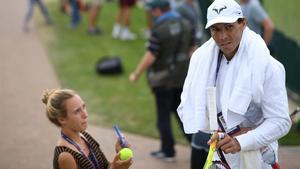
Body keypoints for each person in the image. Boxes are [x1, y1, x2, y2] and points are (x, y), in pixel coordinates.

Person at [177, 0, 291, 168]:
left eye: (228, 27)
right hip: (221, 159)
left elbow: (281, 122)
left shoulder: (269, 67)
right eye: (216, 29)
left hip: (256, 160)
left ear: (243, 23)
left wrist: (241, 141)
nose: (222, 37)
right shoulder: (203, 61)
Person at [129, 0, 194, 162]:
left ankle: (168, 151)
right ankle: (197, 145)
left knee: (163, 117)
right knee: (182, 114)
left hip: (163, 80)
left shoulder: (159, 29)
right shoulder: (186, 24)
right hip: (181, 77)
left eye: (152, 10)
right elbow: (193, 49)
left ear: (158, 10)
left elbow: (151, 54)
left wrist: (136, 74)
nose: (151, 13)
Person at [42, 89, 133, 169]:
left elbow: (105, 167)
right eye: (77, 111)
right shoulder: (66, 156)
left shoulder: (85, 136)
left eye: (84, 107)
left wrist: (119, 159)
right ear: (62, 119)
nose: (85, 114)